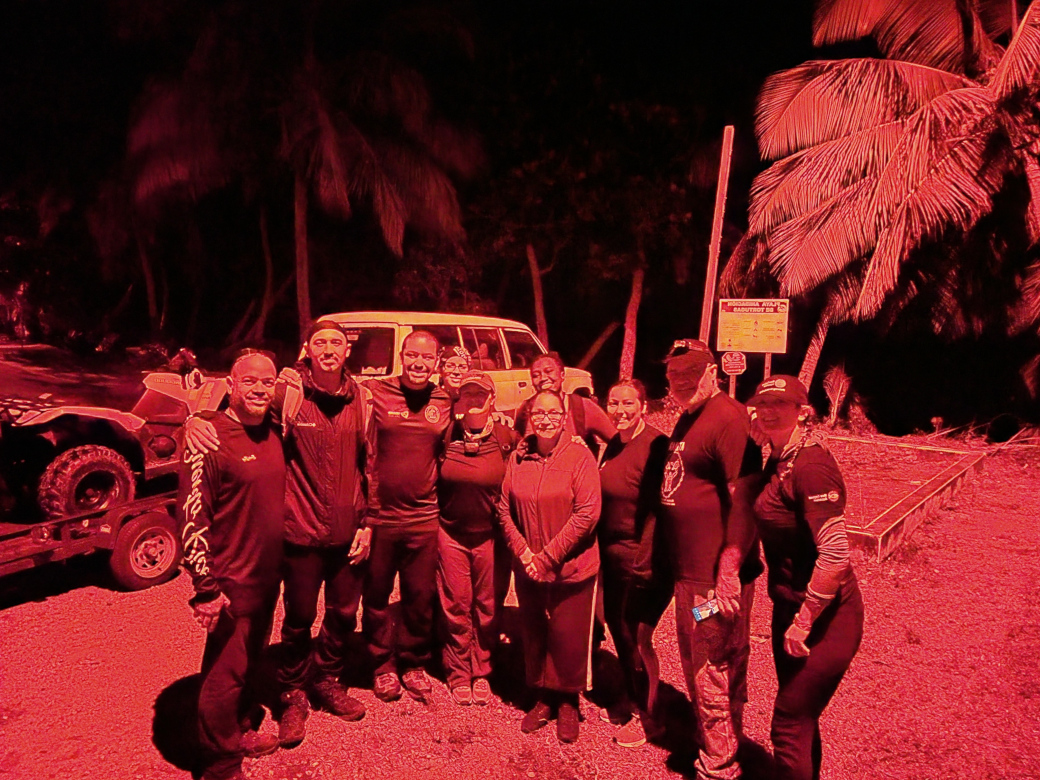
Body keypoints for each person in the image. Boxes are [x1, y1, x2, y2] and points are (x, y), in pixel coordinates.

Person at [185, 321, 373, 747]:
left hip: (349, 534)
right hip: (301, 533)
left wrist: (369, 521)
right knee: (298, 621)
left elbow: (370, 461)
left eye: (337, 343)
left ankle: (326, 680)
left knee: (344, 616)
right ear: (307, 349)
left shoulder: (362, 398)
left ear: (348, 352)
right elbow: (234, 399)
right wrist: (193, 419)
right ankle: (291, 695)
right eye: (321, 341)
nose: (329, 349)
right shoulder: (287, 394)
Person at [746, 375, 863, 780]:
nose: (770, 411)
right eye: (763, 404)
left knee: (788, 723)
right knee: (802, 718)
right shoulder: (778, 457)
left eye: (781, 404)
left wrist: (803, 621)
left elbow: (835, 555)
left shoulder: (811, 467)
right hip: (787, 606)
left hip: (825, 617)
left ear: (803, 411)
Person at [177, 350, 286, 780]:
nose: (260, 388)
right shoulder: (209, 438)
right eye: (250, 381)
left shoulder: (274, 432)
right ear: (232, 385)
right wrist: (205, 587)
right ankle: (219, 765)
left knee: (246, 663)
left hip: (266, 577)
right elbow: (191, 516)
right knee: (223, 675)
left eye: (268, 381)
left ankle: (238, 728)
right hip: (230, 583)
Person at [657, 339, 761, 780]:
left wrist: (729, 572)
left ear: (712, 372)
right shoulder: (691, 415)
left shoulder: (729, 420)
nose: (680, 381)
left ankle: (719, 767)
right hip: (691, 576)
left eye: (689, 373)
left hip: (714, 581)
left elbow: (746, 500)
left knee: (712, 665)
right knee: (702, 661)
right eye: (673, 374)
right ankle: (717, 742)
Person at [497, 389, 601, 743]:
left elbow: (587, 514)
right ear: (527, 417)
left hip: (571, 567)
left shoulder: (579, 456)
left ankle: (568, 700)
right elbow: (503, 508)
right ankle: (542, 696)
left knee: (568, 635)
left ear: (563, 417)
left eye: (553, 413)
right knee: (535, 631)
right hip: (528, 566)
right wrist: (524, 551)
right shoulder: (518, 457)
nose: (545, 418)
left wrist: (547, 557)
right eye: (538, 413)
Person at [361, 329, 452, 702]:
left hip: (424, 517)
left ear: (436, 363)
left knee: (419, 595)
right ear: (401, 356)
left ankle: (413, 660)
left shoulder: (445, 399)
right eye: (412, 355)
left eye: (426, 358)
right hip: (381, 517)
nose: (418, 363)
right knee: (377, 595)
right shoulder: (375, 392)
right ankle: (381, 665)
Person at [596, 379, 671, 748]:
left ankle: (649, 717)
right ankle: (630, 696)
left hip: (642, 561)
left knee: (637, 637)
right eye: (614, 402)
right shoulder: (613, 443)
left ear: (644, 405)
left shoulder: (657, 445)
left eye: (628, 403)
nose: (620, 410)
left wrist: (645, 563)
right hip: (611, 557)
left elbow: (661, 509)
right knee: (617, 629)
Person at [436, 371, 518, 706]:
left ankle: (481, 670)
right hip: (451, 533)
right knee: (456, 605)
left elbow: (539, 458)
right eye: (467, 394)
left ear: (492, 400)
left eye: (480, 395)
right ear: (458, 399)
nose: (474, 401)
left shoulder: (507, 437)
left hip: (491, 537)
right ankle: (457, 672)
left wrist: (574, 442)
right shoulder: (444, 434)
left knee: (486, 606)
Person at [514, 352, 616, 448]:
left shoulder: (582, 407)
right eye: (536, 375)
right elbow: (516, 446)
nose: (543, 378)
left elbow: (618, 443)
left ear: (562, 375)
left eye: (549, 371)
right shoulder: (526, 409)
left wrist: (606, 465)